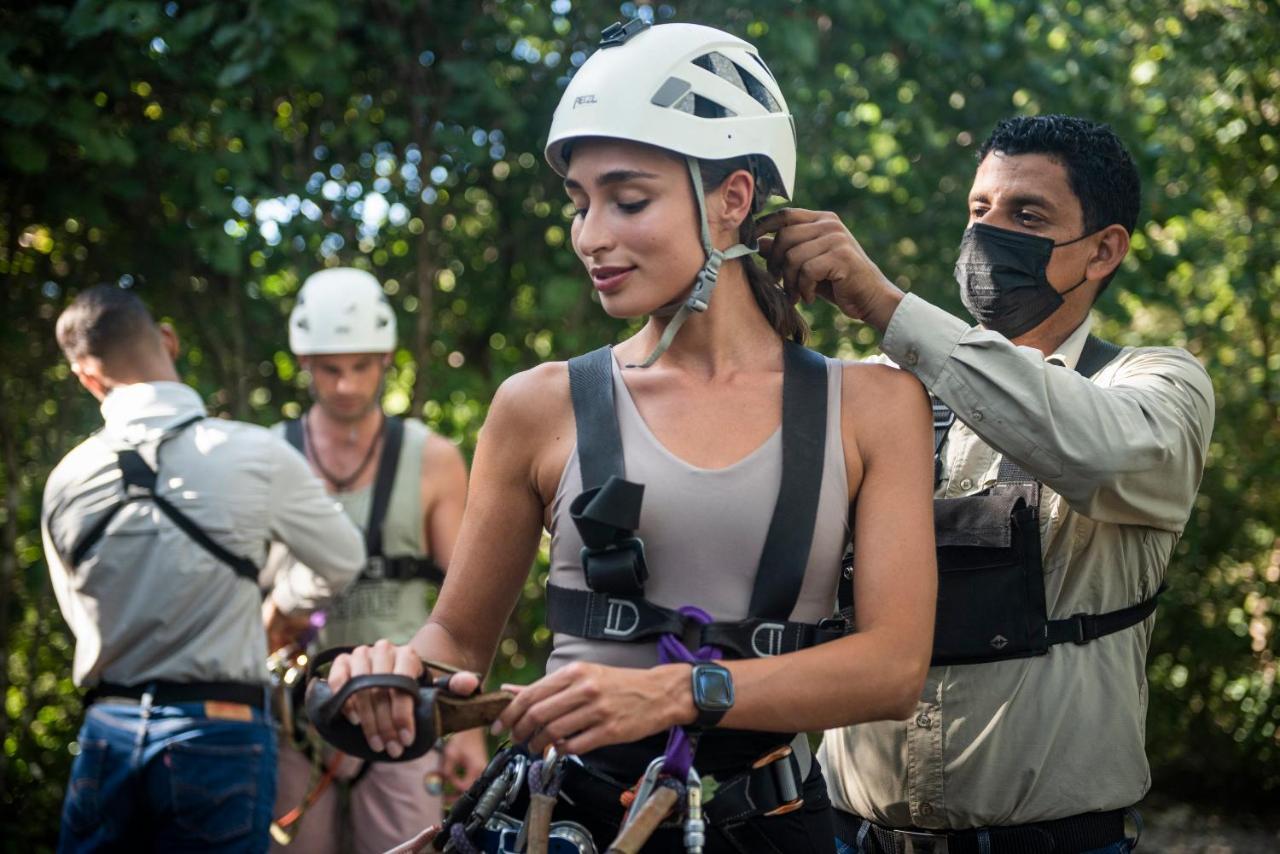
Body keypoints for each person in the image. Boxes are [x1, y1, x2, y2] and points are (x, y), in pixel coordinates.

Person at [323, 21, 937, 853]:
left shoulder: (871, 404)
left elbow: (894, 669)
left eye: (628, 199)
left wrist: (681, 692)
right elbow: (456, 642)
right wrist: (388, 676)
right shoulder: (539, 405)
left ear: (734, 198)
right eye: (579, 205)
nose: (590, 236)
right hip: (567, 817)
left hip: (768, 825)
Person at [760, 115, 1215, 853]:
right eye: (980, 212)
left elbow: (1091, 449)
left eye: (1026, 215)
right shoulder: (880, 394)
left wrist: (885, 304)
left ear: (1104, 250)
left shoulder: (1157, 386)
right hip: (849, 835)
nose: (988, 235)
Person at [41, 285, 365, 852]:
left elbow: (79, 612)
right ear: (168, 339)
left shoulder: (66, 480)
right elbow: (344, 557)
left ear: (86, 378)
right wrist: (281, 610)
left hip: (106, 733)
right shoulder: (254, 454)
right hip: (220, 731)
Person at [260, 268, 488, 854]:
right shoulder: (266, 456)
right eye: (330, 368)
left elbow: (471, 599)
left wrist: (468, 723)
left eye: (361, 366)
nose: (345, 385)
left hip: (400, 709)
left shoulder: (431, 459)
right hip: (292, 713)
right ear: (305, 362)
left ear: (386, 359)